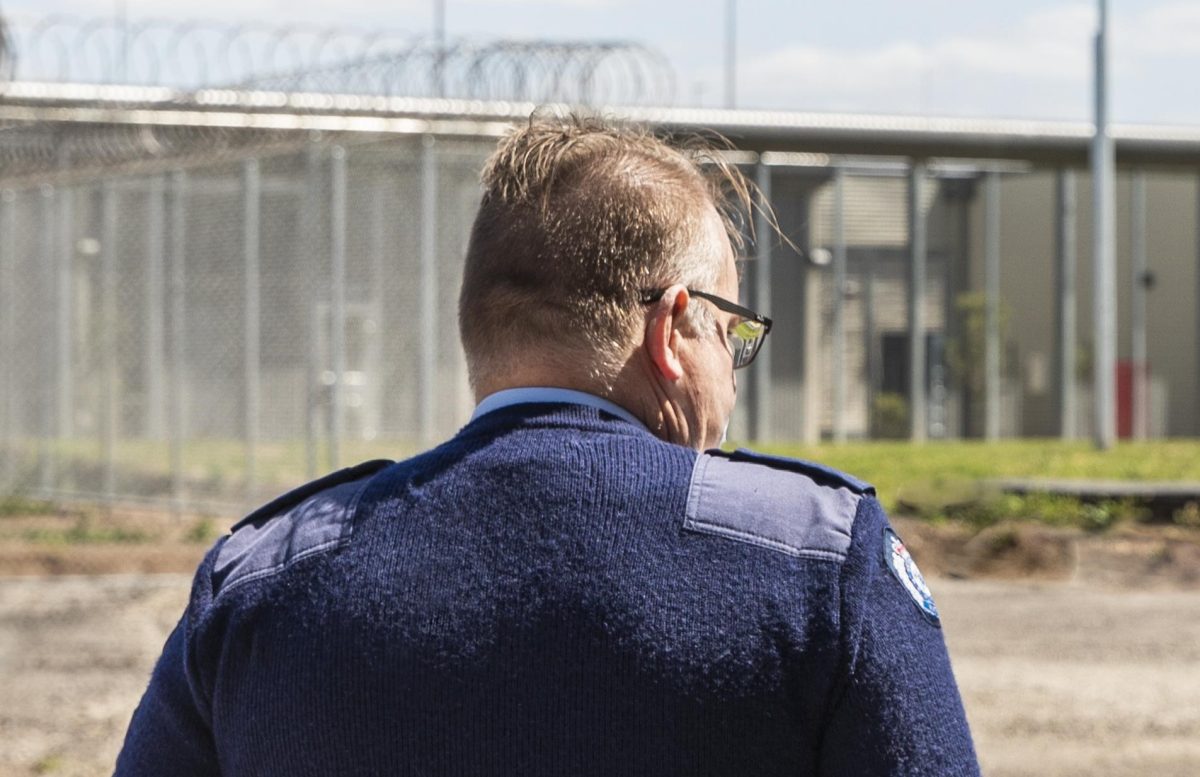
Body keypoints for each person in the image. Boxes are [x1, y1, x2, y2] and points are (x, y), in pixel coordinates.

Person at [115, 116, 980, 776]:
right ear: (675, 328)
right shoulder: (818, 566)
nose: (734, 369)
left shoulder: (261, 584)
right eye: (732, 331)